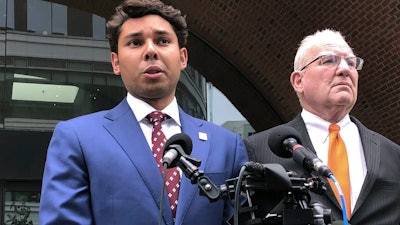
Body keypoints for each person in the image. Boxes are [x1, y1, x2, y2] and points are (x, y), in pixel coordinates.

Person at [39, 0, 248, 224]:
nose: (150, 51)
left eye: (163, 41)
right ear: (116, 63)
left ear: (183, 58)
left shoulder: (227, 145)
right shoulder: (77, 138)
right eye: (136, 42)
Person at [244, 29, 400, 224]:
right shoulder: (258, 150)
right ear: (298, 81)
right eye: (329, 60)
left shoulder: (393, 154)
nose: (345, 69)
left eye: (351, 63)